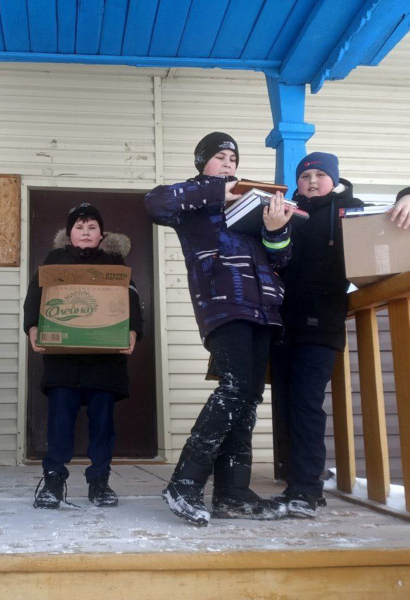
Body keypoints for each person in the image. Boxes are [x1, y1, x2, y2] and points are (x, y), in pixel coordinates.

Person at [145, 132, 293, 526]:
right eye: (220, 157)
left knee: (248, 397)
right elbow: (154, 203)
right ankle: (185, 482)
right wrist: (216, 190)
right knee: (233, 388)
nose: (229, 164)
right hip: (224, 303)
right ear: (203, 163)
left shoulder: (250, 203)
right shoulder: (195, 200)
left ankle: (232, 493)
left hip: (264, 309)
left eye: (233, 159)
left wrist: (277, 230)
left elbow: (281, 261)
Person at [271, 151, 410, 518]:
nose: (311, 180)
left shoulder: (349, 209)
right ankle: (301, 476)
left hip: (321, 322)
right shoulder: (287, 213)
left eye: (319, 175)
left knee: (306, 403)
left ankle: (307, 492)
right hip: (281, 324)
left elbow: (395, 216)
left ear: (334, 178)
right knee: (286, 404)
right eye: (305, 175)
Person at [22, 203, 143, 508]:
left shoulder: (116, 263)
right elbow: (35, 296)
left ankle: (99, 482)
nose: (86, 232)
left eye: (92, 227)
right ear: (69, 234)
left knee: (102, 423)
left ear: (102, 234)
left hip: (105, 360)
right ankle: (53, 481)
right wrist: (33, 326)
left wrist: (132, 332)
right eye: (79, 227)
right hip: (64, 360)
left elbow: (132, 299)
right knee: (60, 421)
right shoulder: (55, 260)